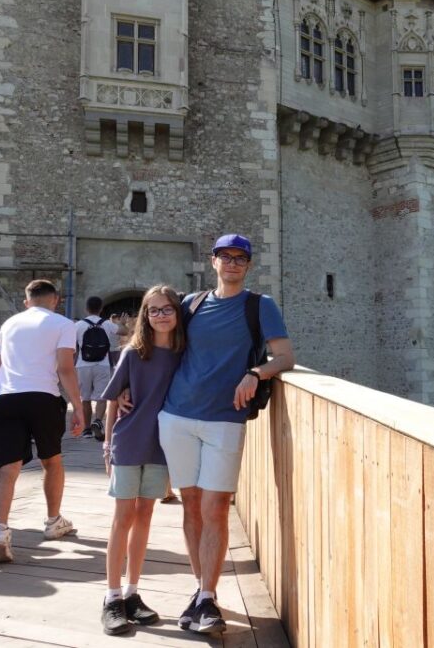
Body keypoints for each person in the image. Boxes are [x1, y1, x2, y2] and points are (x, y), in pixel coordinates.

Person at [125, 234, 293, 634]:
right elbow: (155, 342)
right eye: (226, 256)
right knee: (191, 504)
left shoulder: (260, 306)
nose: (233, 263)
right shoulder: (191, 304)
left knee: (216, 507)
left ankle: (206, 596)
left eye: (241, 258)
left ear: (248, 265)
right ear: (213, 261)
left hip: (225, 418)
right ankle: (203, 594)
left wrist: (256, 372)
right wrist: (129, 385)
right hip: (177, 415)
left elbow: (285, 356)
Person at [97, 285, 185, 635]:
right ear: (145, 317)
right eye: (153, 310)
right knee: (123, 517)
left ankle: (133, 592)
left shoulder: (183, 354)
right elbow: (113, 402)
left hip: (162, 445)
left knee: (145, 516)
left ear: (177, 313)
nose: (160, 315)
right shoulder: (134, 353)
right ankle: (112, 596)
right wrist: (107, 445)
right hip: (131, 441)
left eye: (167, 309)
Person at [0, 279, 85, 563]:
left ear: (26, 301)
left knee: (7, 469)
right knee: (51, 461)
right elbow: (65, 368)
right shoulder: (63, 324)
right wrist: (78, 407)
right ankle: (54, 521)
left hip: (6, 398)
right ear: (55, 300)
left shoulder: (9, 325)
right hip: (43, 397)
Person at [75, 296, 127, 439]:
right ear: (101, 309)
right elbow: (124, 331)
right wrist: (123, 323)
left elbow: (72, 346)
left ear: (86, 309)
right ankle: (98, 421)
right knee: (101, 397)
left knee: (84, 398)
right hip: (102, 364)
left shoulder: (78, 325)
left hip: (83, 365)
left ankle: (86, 430)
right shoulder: (107, 324)